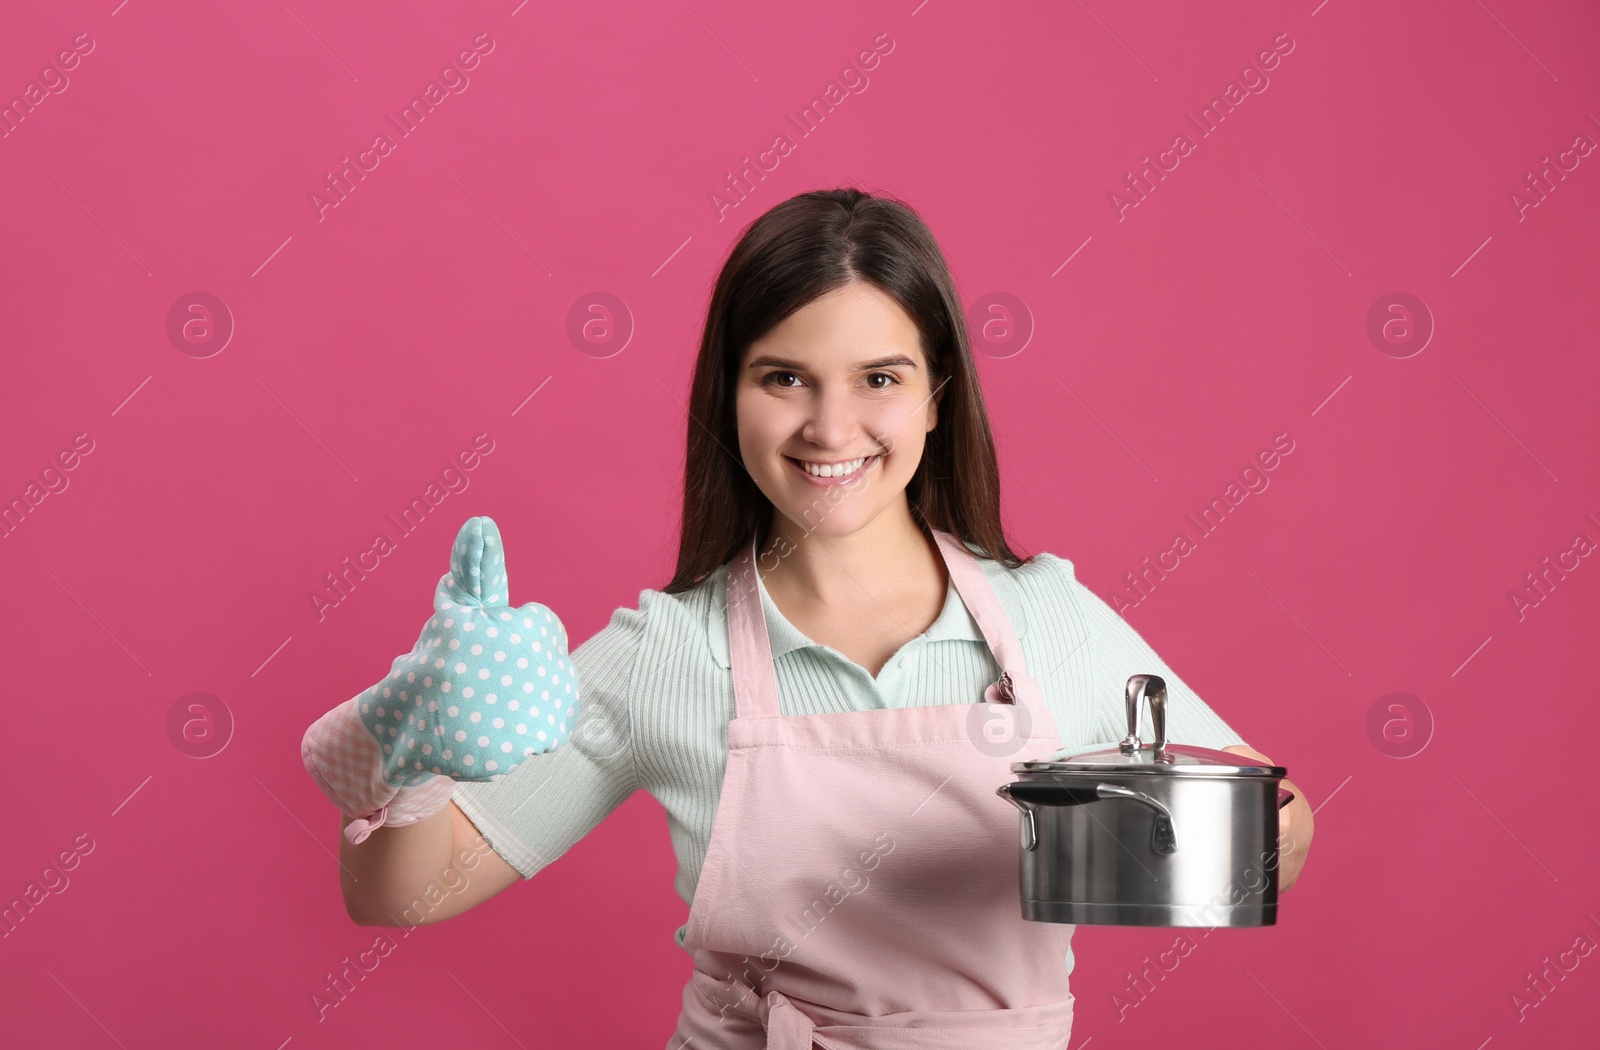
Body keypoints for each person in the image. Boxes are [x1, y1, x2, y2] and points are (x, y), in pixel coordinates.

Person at [311, 187, 1314, 1047]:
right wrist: (422, 752)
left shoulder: (1051, 619)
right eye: (783, 377)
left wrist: (1168, 851)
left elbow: (1280, 823)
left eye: (879, 378)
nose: (830, 428)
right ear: (730, 395)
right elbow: (397, 898)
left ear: (935, 399)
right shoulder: (667, 652)